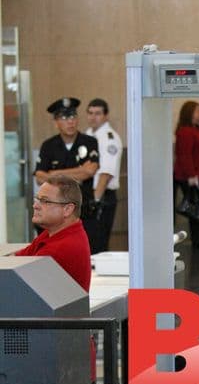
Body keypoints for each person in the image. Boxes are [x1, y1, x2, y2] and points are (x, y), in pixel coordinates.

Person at [35, 97, 99, 247]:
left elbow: (89, 171)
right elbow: (39, 177)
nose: (70, 121)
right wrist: (78, 171)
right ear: (56, 122)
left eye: (73, 116)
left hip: (84, 211)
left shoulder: (89, 142)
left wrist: (53, 174)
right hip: (55, 215)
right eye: (64, 118)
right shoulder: (48, 146)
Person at [15, 174, 91, 291]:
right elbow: (17, 259)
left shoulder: (59, 249)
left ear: (68, 209)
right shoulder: (55, 232)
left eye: (45, 201)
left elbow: (14, 285)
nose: (35, 206)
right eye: (37, 199)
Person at [174, 101, 199, 249]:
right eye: (197, 111)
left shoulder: (196, 130)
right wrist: (191, 175)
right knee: (197, 206)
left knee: (198, 206)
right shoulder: (185, 132)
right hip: (191, 176)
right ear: (190, 113)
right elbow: (184, 155)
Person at [85, 98, 123, 254]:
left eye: (98, 113)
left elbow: (105, 174)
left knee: (97, 244)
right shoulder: (87, 135)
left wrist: (95, 202)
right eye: (90, 113)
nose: (93, 117)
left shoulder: (109, 139)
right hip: (87, 194)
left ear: (106, 116)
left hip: (101, 196)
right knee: (86, 243)